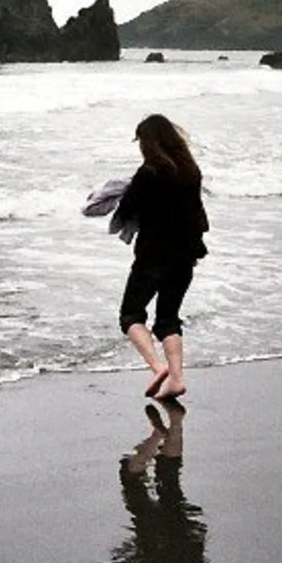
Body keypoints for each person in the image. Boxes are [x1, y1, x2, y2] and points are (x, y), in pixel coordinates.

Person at [111, 113, 208, 400]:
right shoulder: (191, 171)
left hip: (153, 255)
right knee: (168, 319)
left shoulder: (149, 172)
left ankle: (158, 367)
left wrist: (118, 196)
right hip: (185, 256)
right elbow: (197, 214)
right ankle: (176, 379)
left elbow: (129, 209)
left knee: (130, 315)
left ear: (149, 142)